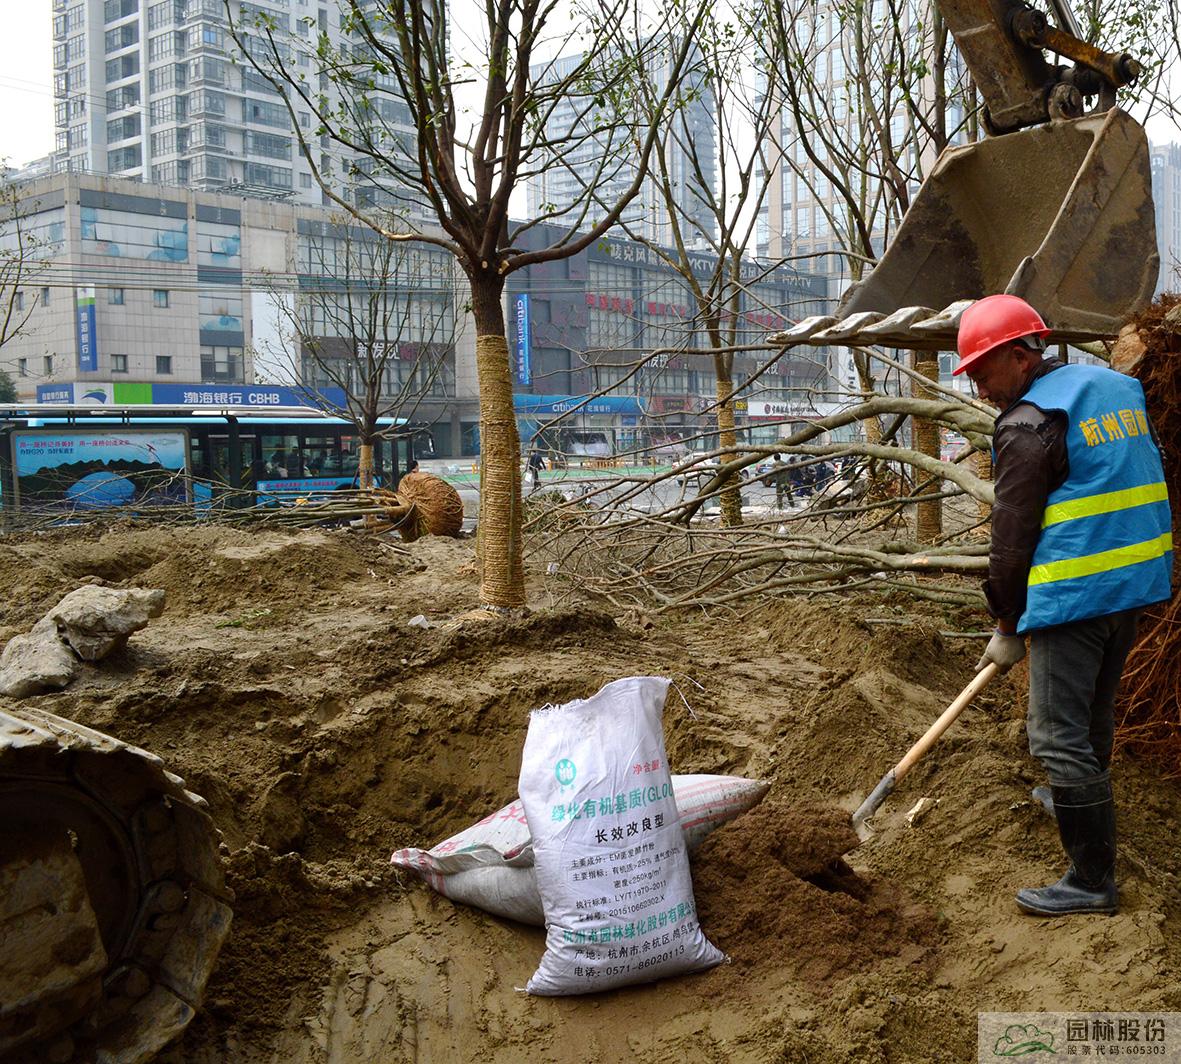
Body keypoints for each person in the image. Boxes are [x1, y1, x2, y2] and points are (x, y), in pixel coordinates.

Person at [956, 294, 1173, 917]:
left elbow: (1011, 536)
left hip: (1076, 593)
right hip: (1133, 582)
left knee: (1053, 735)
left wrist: (1006, 618)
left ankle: (1089, 880)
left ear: (1021, 356)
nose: (977, 386)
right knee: (1091, 713)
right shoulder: (1113, 389)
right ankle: (1078, 798)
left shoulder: (1028, 423)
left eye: (982, 370)